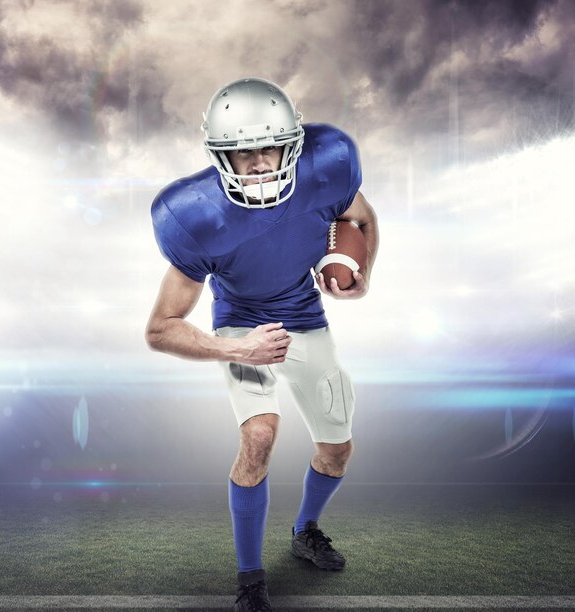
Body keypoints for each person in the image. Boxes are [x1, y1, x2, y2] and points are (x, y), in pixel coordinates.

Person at [146, 77, 379, 612]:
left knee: (338, 450)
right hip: (241, 325)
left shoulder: (329, 164)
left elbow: (360, 218)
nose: (255, 165)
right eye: (240, 153)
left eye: (267, 148)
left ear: (294, 144)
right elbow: (161, 326)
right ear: (218, 155)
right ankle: (250, 577)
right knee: (260, 436)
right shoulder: (193, 213)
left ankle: (305, 531)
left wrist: (363, 271)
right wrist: (237, 350)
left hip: (304, 316)